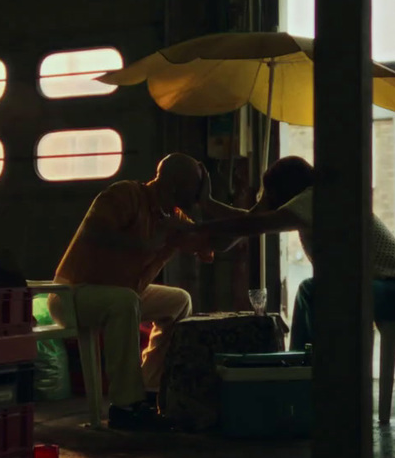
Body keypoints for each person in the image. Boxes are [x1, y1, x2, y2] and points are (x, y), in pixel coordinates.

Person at [52, 153, 248, 431]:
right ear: (176, 186)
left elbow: (225, 238)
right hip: (74, 293)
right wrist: (152, 242)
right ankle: (124, 407)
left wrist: (209, 203)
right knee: (124, 301)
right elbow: (97, 235)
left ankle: (149, 391)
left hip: (122, 292)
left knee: (178, 301)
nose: (197, 194)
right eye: (196, 188)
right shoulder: (125, 195)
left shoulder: (174, 217)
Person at [191, 156, 395, 350]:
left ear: (285, 190)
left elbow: (251, 225)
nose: (268, 199)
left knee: (314, 289)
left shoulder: (314, 199)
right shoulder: (315, 198)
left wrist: (198, 226)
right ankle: (301, 367)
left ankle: (313, 366)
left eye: (270, 193)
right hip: (393, 290)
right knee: (310, 291)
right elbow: (250, 220)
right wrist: (207, 211)